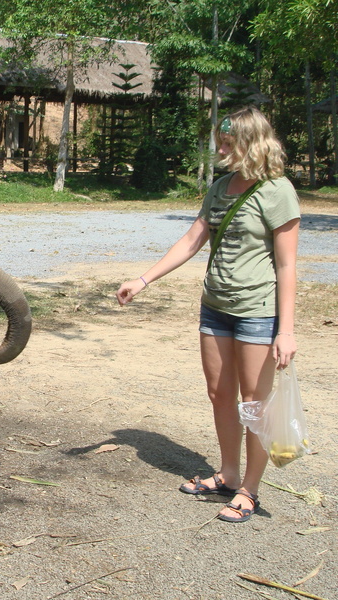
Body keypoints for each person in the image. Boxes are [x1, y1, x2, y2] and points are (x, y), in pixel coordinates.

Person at [116, 106, 300, 523]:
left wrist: (285, 330)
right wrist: (143, 280)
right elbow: (192, 240)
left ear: (252, 144)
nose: (219, 149)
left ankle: (250, 490)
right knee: (220, 393)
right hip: (215, 307)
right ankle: (229, 473)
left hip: (257, 311)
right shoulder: (220, 188)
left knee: (254, 403)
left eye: (228, 143)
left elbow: (288, 265)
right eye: (220, 140)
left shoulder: (278, 191)